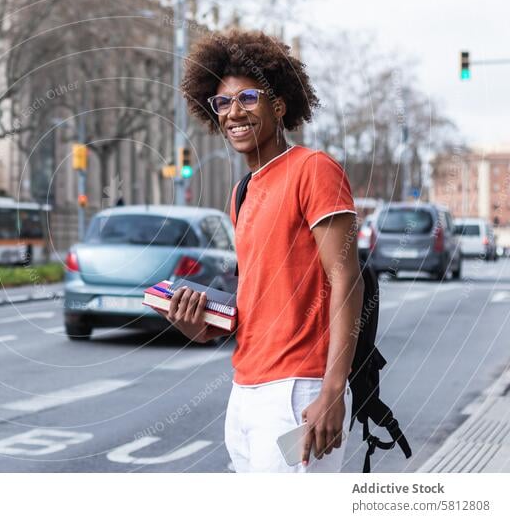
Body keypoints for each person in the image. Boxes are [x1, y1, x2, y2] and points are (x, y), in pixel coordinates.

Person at [156, 29, 364, 472]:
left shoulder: (313, 170)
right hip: (245, 394)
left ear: (278, 105)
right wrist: (200, 325)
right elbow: (259, 298)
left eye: (248, 98)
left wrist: (332, 390)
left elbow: (346, 277)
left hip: (298, 393)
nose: (234, 112)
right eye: (223, 103)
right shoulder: (242, 193)